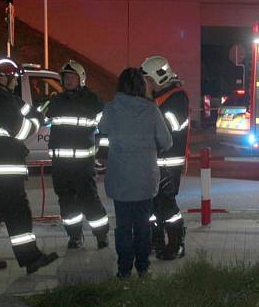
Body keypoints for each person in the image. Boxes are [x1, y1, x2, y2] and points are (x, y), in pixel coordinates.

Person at [0, 58, 58, 274]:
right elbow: (22, 132)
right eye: (15, 79)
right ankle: (31, 258)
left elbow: (22, 106)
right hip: (5, 172)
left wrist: (37, 110)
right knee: (19, 214)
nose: (17, 83)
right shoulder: (3, 102)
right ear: (4, 78)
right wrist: (38, 120)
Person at [98, 68, 172, 279]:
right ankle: (143, 267)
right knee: (143, 226)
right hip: (145, 179)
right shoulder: (151, 110)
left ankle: (123, 269)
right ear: (141, 86)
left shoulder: (111, 109)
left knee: (123, 227)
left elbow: (102, 134)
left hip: (120, 178)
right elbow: (166, 141)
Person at [42, 60, 109, 250]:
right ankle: (75, 236)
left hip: (83, 165)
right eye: (66, 78)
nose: (69, 81)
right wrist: (45, 104)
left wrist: (103, 152)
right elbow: (41, 117)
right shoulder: (56, 100)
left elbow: (104, 129)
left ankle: (101, 235)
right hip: (61, 165)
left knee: (90, 201)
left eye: (72, 77)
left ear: (81, 79)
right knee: (67, 204)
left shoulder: (93, 101)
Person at [140, 56, 190, 260]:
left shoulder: (177, 98)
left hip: (168, 165)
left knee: (167, 206)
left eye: (149, 80)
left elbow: (169, 127)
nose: (146, 85)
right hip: (153, 162)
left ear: (160, 77)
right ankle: (156, 240)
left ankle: (177, 243)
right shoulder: (156, 99)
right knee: (152, 206)